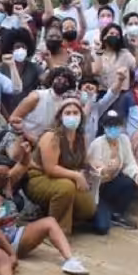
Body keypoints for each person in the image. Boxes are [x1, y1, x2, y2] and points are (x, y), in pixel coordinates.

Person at [0, 154, 89, 275]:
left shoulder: (6, 187)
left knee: (50, 222)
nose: (1, 178)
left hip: (13, 235)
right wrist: (11, 254)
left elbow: (22, 164)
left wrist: (26, 152)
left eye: (5, 175)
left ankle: (70, 260)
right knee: (3, 260)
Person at [26, 98, 96, 235]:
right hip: (39, 177)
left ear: (81, 116)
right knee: (66, 187)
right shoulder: (52, 136)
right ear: (60, 116)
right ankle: (55, 230)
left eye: (76, 113)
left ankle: (52, 213)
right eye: (68, 113)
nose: (72, 116)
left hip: (66, 178)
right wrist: (76, 175)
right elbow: (50, 169)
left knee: (89, 208)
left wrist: (94, 168)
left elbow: (83, 162)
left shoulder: (82, 138)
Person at [86, 111, 138, 229]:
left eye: (117, 125)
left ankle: (117, 213)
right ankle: (102, 211)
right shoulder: (97, 144)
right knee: (102, 228)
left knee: (129, 182)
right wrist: (103, 170)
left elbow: (130, 163)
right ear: (104, 126)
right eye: (110, 125)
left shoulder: (124, 140)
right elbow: (93, 171)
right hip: (97, 188)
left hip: (113, 183)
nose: (114, 129)